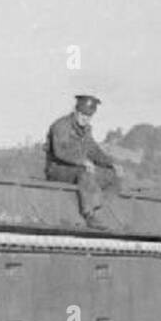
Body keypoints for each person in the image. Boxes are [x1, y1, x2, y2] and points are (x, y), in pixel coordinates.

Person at [45, 94, 119, 228]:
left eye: (89, 116)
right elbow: (60, 151)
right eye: (83, 115)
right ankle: (88, 215)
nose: (86, 119)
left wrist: (111, 163)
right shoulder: (61, 126)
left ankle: (101, 209)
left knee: (111, 175)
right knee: (85, 171)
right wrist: (82, 161)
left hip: (77, 170)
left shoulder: (85, 130)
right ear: (76, 111)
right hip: (58, 170)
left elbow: (93, 150)